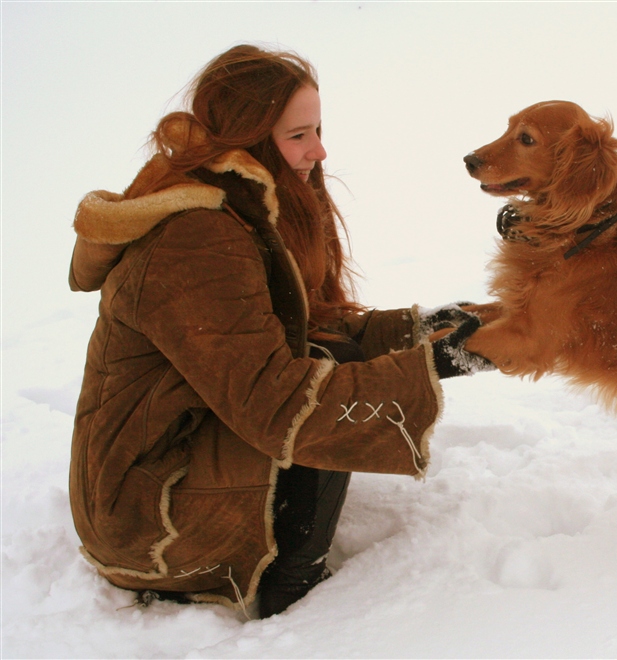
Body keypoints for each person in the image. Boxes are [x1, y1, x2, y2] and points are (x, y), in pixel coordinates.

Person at [68, 44, 495, 619]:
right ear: (246, 138)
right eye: (299, 135)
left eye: (317, 129)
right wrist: (446, 361)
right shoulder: (197, 237)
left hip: (164, 467)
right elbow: (276, 399)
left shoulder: (243, 202)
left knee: (330, 354)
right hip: (149, 523)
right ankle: (295, 593)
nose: (319, 150)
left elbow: (314, 324)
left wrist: (450, 326)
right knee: (324, 378)